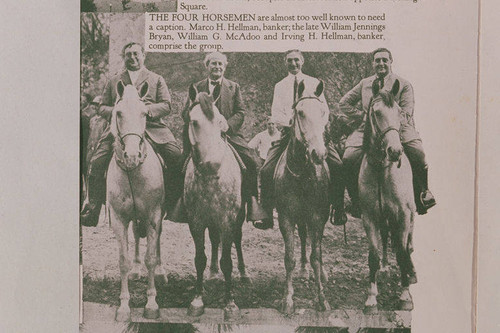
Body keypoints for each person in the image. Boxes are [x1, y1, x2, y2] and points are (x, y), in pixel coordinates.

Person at [80, 42, 183, 227]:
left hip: (151, 126)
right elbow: (102, 106)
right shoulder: (114, 80)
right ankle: (93, 207)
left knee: (175, 155)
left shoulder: (156, 79)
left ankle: (174, 204)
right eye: (128, 55)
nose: (133, 58)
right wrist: (121, 111)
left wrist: (144, 110)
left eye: (136, 54)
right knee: (96, 161)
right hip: (121, 128)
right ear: (124, 57)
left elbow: (167, 105)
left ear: (144, 56)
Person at [255, 49, 346, 230]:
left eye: (296, 60)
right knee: (266, 170)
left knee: (337, 165)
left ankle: (338, 207)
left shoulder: (314, 83)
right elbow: (275, 113)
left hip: (314, 133)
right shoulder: (280, 86)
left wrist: (316, 127)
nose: (293, 64)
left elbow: (325, 110)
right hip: (290, 134)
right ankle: (266, 213)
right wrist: (291, 121)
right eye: (290, 60)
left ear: (302, 61)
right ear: (285, 63)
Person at [340, 47, 436, 215]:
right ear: (373, 63)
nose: (381, 63)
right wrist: (363, 117)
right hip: (368, 128)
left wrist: (391, 122)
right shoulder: (365, 84)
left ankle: (422, 193)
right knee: (348, 157)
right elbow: (344, 103)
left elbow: (407, 112)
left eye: (385, 60)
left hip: (397, 128)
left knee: (418, 152)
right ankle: (356, 200)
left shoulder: (403, 85)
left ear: (391, 62)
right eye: (377, 60)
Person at [176, 52, 267, 222]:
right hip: (202, 136)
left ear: (225, 67)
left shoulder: (233, 87)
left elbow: (240, 112)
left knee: (250, 162)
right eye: (213, 64)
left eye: (220, 64)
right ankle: (181, 203)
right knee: (181, 163)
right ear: (207, 66)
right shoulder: (196, 87)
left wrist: (228, 124)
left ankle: (252, 203)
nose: (217, 67)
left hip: (228, 135)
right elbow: (185, 114)